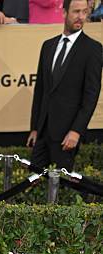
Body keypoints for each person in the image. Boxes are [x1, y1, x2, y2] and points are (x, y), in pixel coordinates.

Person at [27, 0, 102, 171]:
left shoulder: (93, 49)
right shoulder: (48, 46)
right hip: (43, 131)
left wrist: (76, 131)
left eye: (84, 12)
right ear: (64, 13)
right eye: (76, 12)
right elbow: (41, 90)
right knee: (32, 181)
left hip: (67, 134)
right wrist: (35, 128)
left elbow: (91, 95)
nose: (81, 17)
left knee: (64, 185)